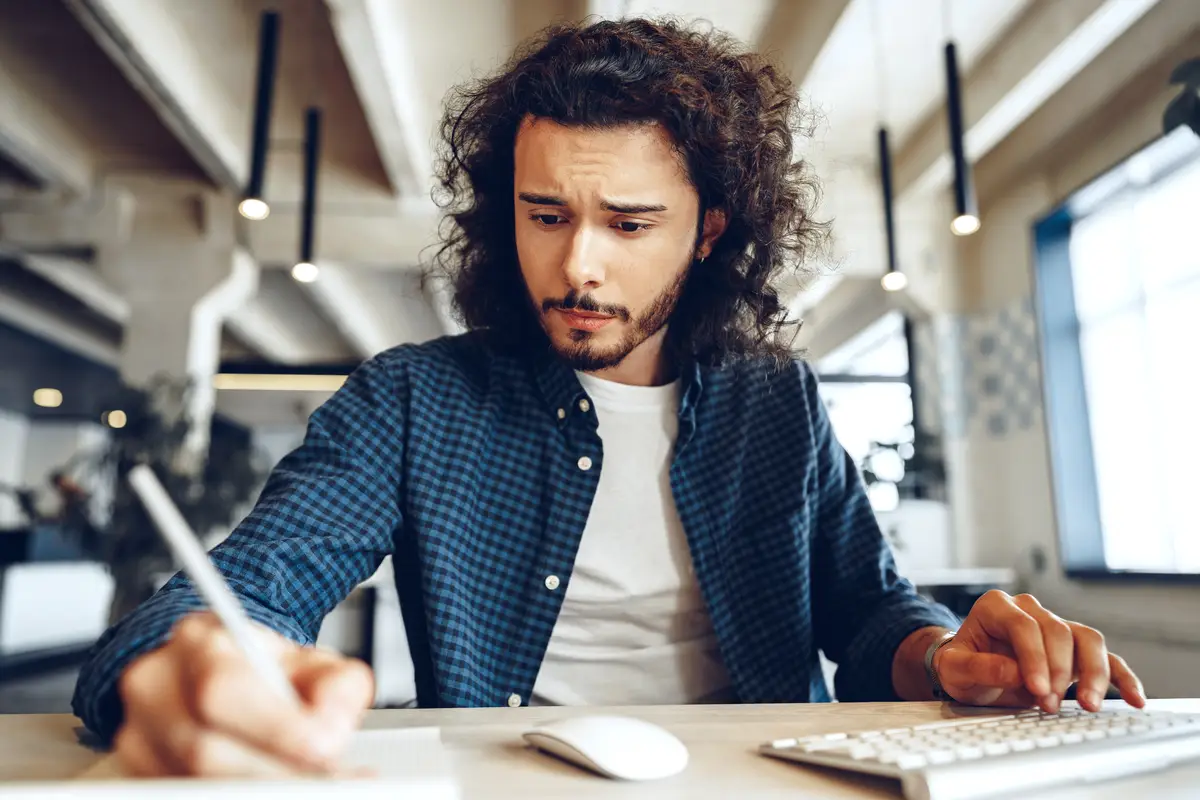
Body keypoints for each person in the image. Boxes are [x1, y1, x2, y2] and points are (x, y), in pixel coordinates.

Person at [72, 18, 1145, 778]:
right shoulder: (411, 400)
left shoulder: (780, 400)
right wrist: (192, 661)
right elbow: (248, 585)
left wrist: (943, 651)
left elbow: (866, 611)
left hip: (776, 773)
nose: (577, 266)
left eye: (628, 225)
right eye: (544, 214)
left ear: (708, 230)